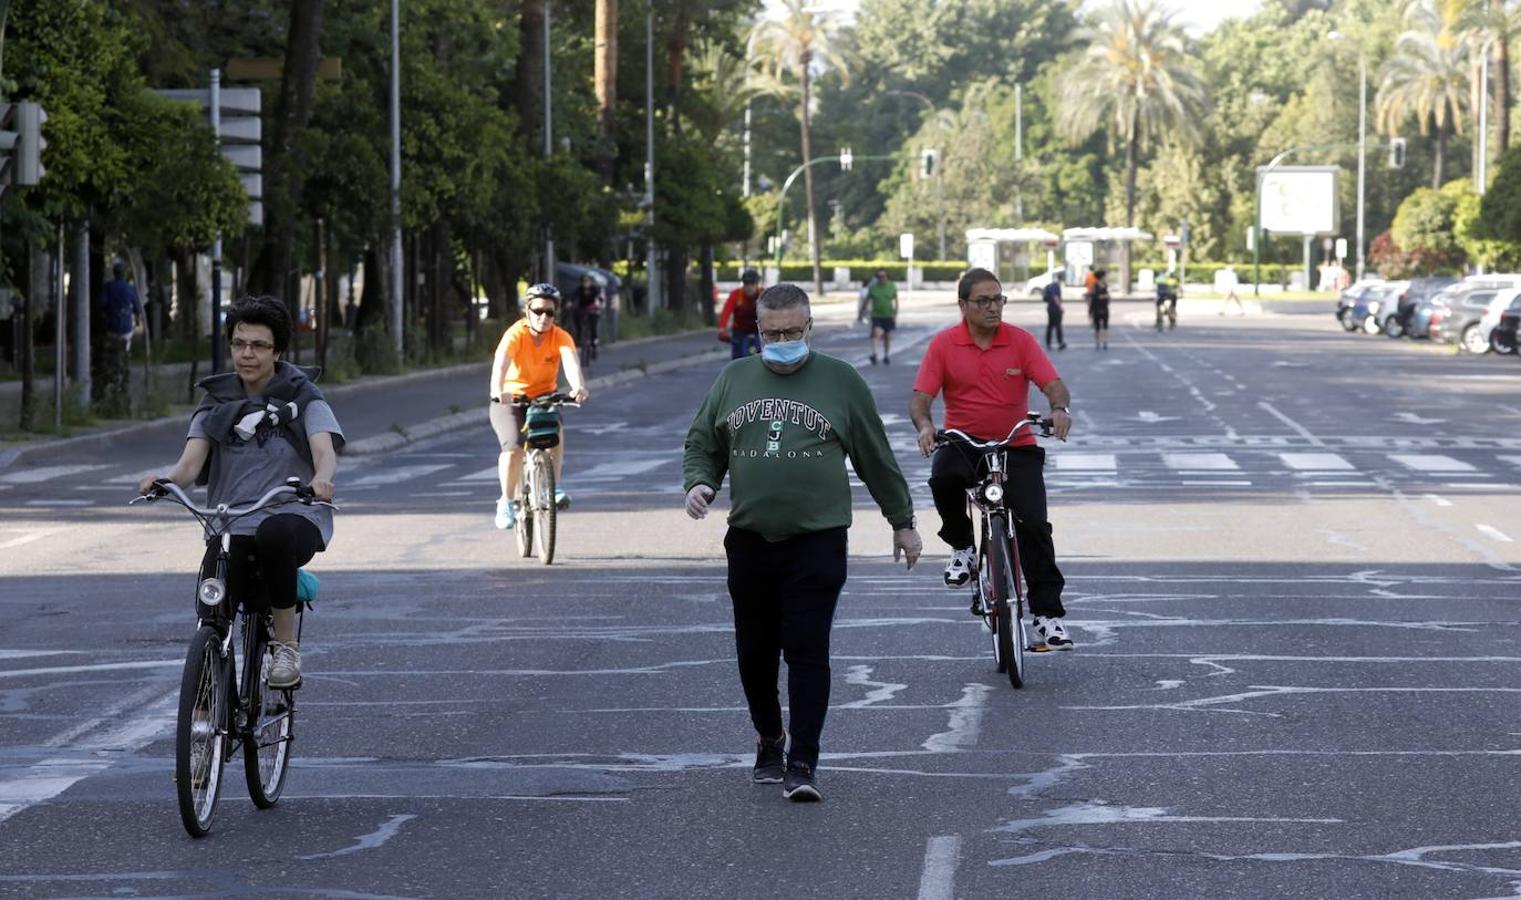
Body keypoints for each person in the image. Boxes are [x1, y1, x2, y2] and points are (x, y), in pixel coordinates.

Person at [683, 283, 923, 802]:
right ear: (759, 333)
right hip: (749, 539)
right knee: (755, 652)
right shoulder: (734, 379)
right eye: (773, 333)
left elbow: (874, 456)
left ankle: (803, 760)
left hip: (818, 539)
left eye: (793, 331)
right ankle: (770, 737)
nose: (783, 341)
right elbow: (704, 442)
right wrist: (700, 482)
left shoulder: (841, 381)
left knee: (808, 647)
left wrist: (902, 521)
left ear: (810, 328)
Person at [138, 295, 343, 689]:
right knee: (214, 589)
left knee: (275, 535)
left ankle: (285, 648)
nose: (247, 354)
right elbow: (189, 466)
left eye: (259, 345)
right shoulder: (216, 401)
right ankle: (208, 681)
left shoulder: (303, 398)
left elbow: (324, 452)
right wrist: (162, 481)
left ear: (278, 350)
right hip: (232, 521)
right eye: (238, 344)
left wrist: (321, 480)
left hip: (294, 515)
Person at [908, 267, 1075, 650]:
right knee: (943, 476)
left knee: (1033, 524)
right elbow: (921, 399)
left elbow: (1053, 384)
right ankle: (963, 548)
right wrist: (925, 427)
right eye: (982, 301)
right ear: (963, 305)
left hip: (1015, 444)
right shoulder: (944, 345)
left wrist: (1059, 408)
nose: (993, 307)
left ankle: (1048, 616)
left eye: (998, 299)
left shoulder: (1020, 341)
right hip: (964, 442)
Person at [489, 284, 590, 530]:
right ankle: (506, 501)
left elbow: (571, 363)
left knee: (555, 435)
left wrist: (578, 387)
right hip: (511, 398)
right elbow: (500, 365)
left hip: (544, 396)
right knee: (513, 447)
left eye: (550, 312)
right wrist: (497, 391)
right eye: (538, 310)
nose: (543, 317)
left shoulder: (560, 336)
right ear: (527, 311)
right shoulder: (516, 334)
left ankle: (551, 488)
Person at [717, 269, 763, 359]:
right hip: (740, 330)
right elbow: (726, 312)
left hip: (759, 330)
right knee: (737, 357)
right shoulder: (736, 295)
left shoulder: (763, 294)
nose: (749, 287)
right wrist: (722, 329)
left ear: (757, 284)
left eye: (752, 284)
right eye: (746, 284)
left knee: (763, 355)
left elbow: (772, 312)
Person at [863, 267, 899, 365]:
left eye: (883, 276)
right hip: (876, 315)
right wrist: (863, 311)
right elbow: (867, 300)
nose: (881, 278)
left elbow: (896, 301)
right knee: (876, 332)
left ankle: (886, 355)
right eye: (879, 276)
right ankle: (874, 354)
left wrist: (895, 314)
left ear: (887, 277)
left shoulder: (892, 286)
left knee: (887, 336)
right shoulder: (873, 288)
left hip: (888, 315)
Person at [571, 273, 604, 363]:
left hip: (592, 310)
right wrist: (570, 303)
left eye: (587, 281)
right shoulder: (579, 289)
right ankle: (579, 338)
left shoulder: (594, 289)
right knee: (577, 322)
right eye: (584, 281)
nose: (586, 283)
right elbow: (573, 297)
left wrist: (599, 303)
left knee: (593, 328)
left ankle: (594, 344)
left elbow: (600, 298)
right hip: (582, 310)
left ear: (590, 282)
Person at [1042, 272, 1067, 350]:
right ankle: (1060, 343)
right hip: (1055, 309)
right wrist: (1060, 307)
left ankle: (1048, 343)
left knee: (1050, 326)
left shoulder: (1052, 285)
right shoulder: (1056, 286)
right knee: (1058, 326)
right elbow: (1055, 297)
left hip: (1050, 308)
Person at [1087, 268, 1111, 350]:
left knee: (1105, 326)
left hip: (1105, 308)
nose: (1105, 277)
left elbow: (1108, 297)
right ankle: (1097, 342)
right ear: (1101, 277)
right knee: (1097, 327)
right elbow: (1094, 297)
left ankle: (1105, 342)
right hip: (1097, 309)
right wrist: (1103, 296)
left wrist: (1106, 297)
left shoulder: (1105, 285)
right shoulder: (1095, 286)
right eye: (1104, 276)